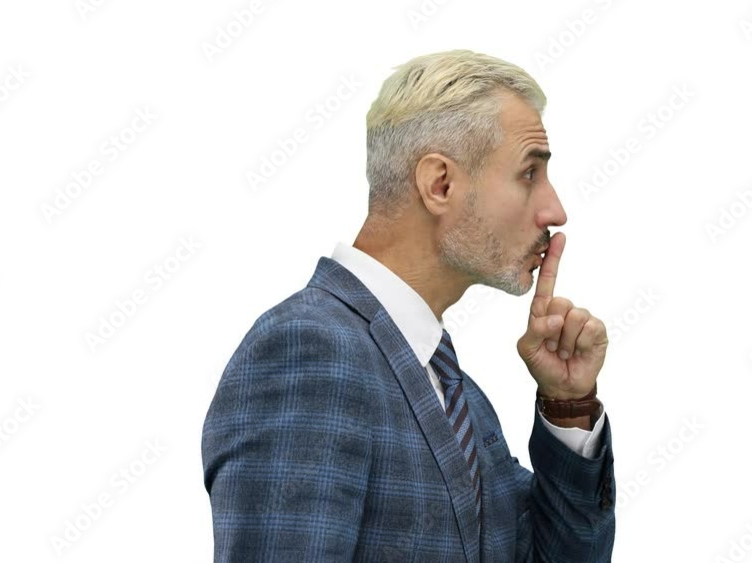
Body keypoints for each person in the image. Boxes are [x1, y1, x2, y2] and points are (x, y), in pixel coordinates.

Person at [202, 49, 616, 562]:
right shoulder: (308, 350)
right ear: (440, 184)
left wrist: (568, 406)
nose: (555, 210)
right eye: (529, 173)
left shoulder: (458, 394)